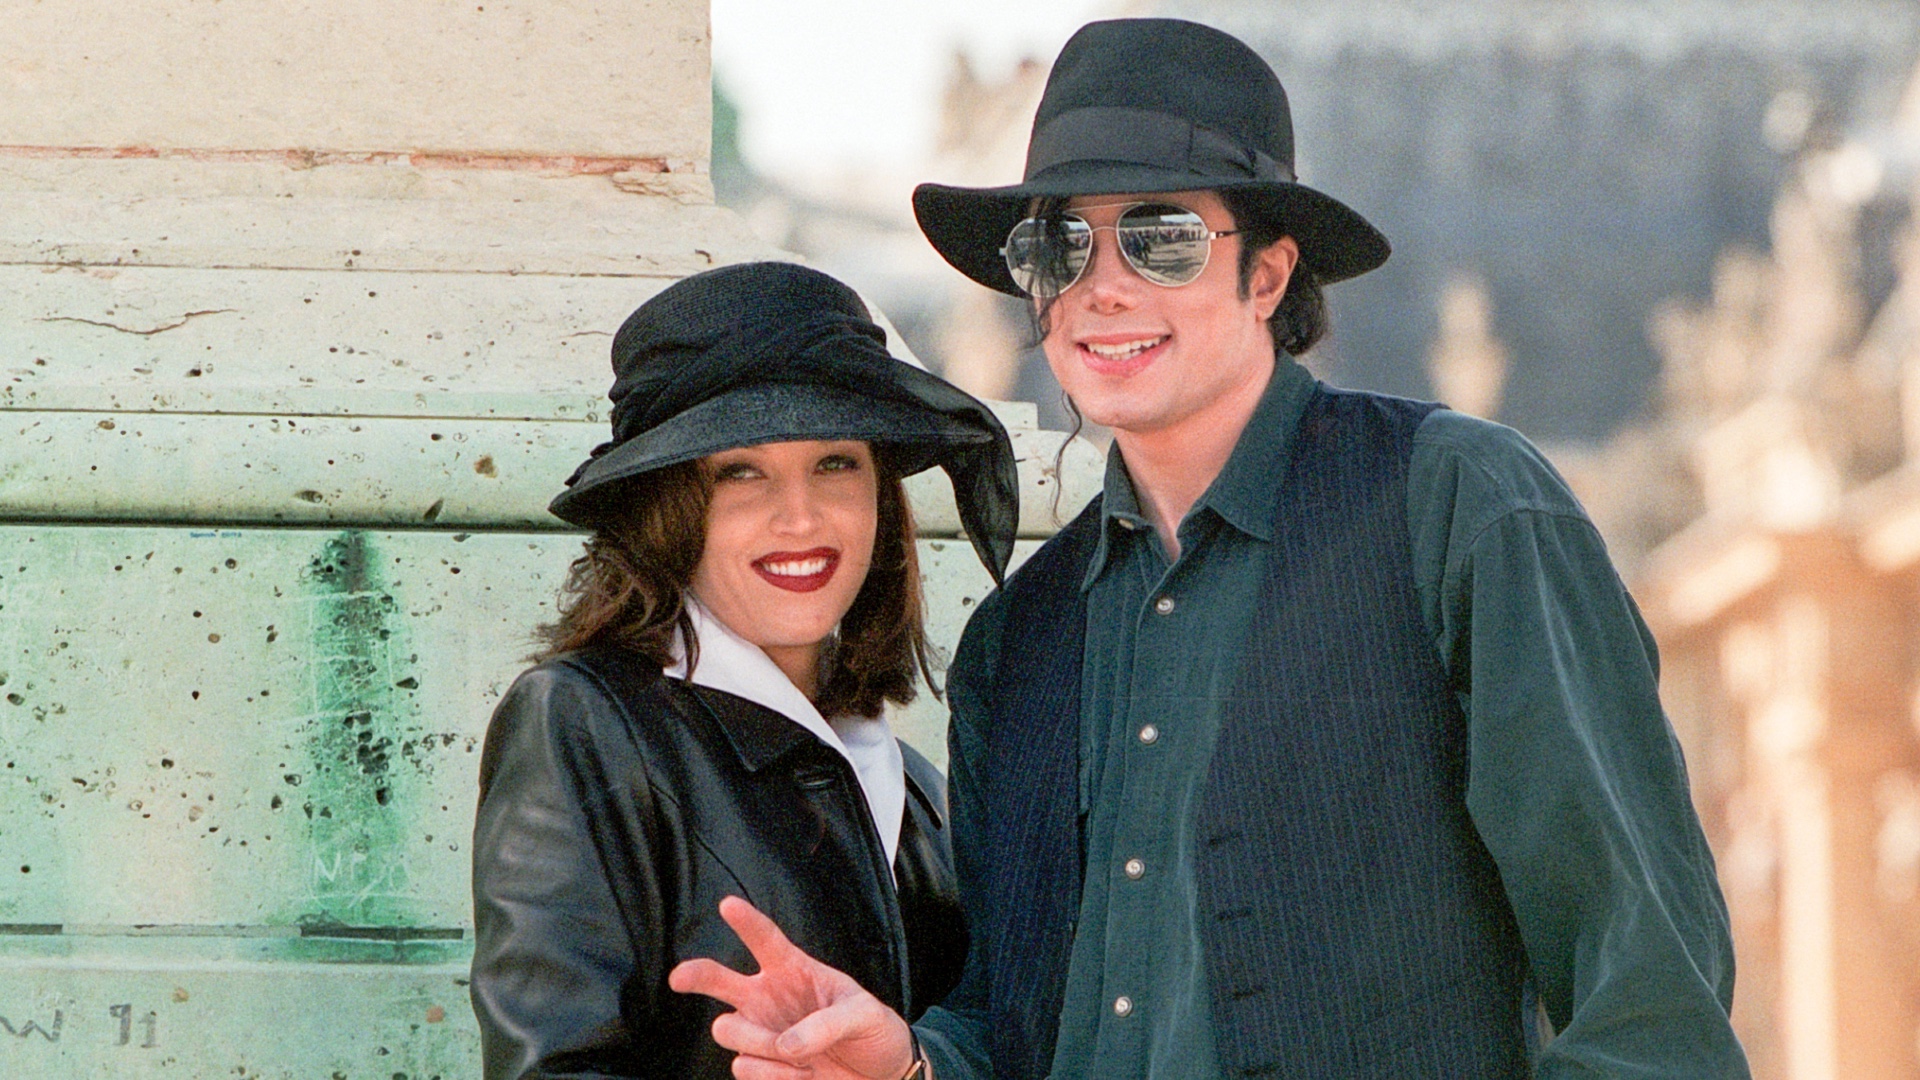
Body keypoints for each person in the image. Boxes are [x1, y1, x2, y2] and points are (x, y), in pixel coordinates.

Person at [670, 17, 1752, 1080]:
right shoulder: (1018, 634)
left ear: (1270, 276)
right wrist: (908, 1062)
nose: (1102, 285)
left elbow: (1651, 1005)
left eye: (1163, 238)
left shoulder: (1457, 505)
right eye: (1060, 245)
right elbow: (1018, 1016)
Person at [468, 261, 1019, 1079]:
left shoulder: (925, 793)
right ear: (666, 506)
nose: (800, 517)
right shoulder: (582, 722)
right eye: (739, 471)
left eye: (836, 462)